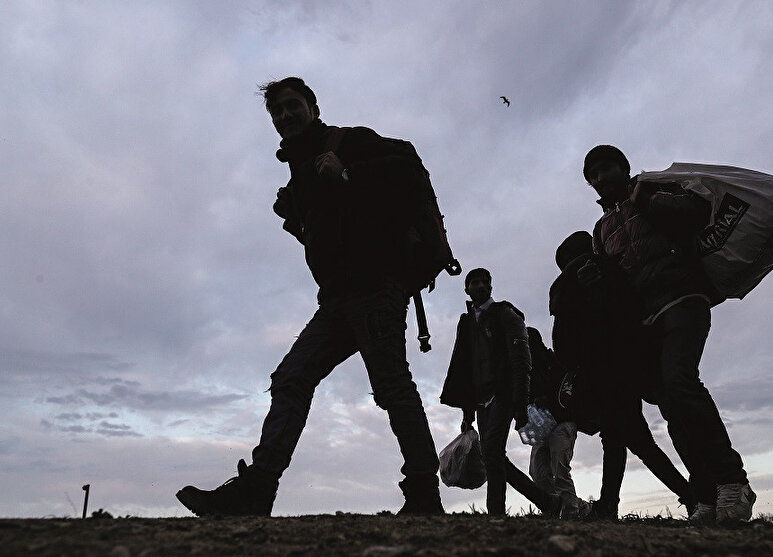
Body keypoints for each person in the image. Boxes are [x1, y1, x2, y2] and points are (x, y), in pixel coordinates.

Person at [176, 77, 444, 516]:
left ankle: (423, 493)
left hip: (377, 288)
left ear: (313, 106)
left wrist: (348, 172)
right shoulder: (299, 171)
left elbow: (408, 168)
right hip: (337, 300)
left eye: (291, 106)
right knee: (291, 378)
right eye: (276, 113)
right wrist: (296, 211)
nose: (284, 116)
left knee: (392, 386)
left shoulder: (349, 142)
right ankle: (257, 490)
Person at [581, 144, 755, 523]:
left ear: (623, 168)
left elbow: (695, 213)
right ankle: (705, 494)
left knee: (680, 381)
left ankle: (732, 481)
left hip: (683, 297)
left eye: (606, 168)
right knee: (670, 403)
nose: (600, 178)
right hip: (646, 320)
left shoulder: (652, 190)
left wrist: (645, 198)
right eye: (592, 175)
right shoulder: (600, 231)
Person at [550, 231, 695, 520]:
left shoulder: (564, 285)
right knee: (619, 440)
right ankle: (610, 504)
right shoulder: (614, 271)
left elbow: (562, 339)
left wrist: (570, 368)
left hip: (597, 373)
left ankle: (690, 496)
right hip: (626, 369)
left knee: (635, 442)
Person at [440, 268, 561, 517]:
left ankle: (495, 513)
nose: (480, 286)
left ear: (491, 288)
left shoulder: (506, 314)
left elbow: (521, 360)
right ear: (467, 289)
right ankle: (547, 502)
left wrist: (520, 401)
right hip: (482, 399)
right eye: (475, 282)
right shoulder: (466, 322)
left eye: (485, 282)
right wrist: (467, 411)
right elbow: (464, 369)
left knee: (492, 452)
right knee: (493, 456)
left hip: (503, 394)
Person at [525, 327, 591, 519]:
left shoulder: (556, 365)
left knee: (559, 470)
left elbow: (568, 394)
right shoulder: (528, 371)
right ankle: (576, 507)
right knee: (538, 473)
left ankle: (571, 512)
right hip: (543, 427)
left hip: (563, 423)